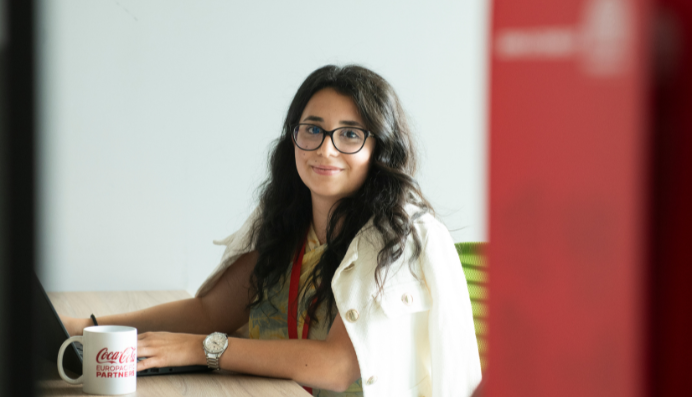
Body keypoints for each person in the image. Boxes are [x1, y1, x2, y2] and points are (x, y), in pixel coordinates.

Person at [62, 65, 482, 396]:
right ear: (293, 139)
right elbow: (210, 312)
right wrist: (86, 325)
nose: (325, 149)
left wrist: (202, 349)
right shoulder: (286, 216)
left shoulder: (397, 234)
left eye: (350, 135)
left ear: (379, 149)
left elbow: (335, 367)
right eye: (312, 130)